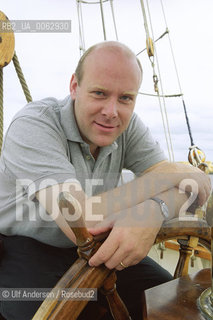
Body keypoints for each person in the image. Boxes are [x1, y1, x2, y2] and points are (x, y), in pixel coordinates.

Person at [0, 41, 211, 320]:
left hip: (97, 247)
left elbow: (193, 187)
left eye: (125, 98)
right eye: (99, 93)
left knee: (181, 303)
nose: (112, 111)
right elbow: (82, 219)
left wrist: (153, 210)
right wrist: (170, 173)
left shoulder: (128, 126)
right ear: (74, 86)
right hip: (24, 244)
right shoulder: (33, 124)